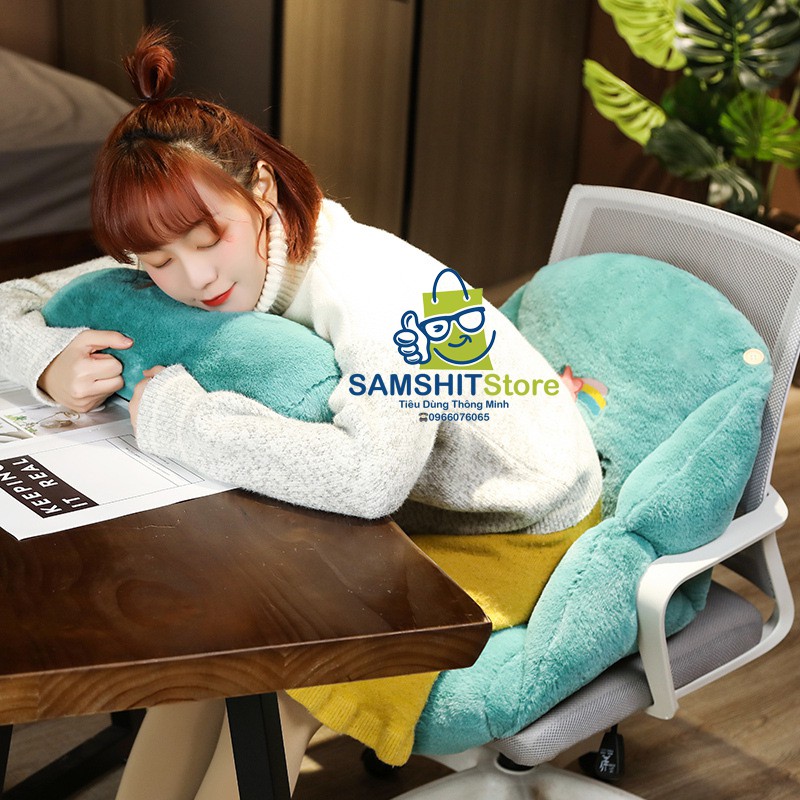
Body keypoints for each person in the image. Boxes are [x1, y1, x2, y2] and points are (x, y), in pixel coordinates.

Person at [0, 28, 602, 798]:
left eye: (207, 240)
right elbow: (12, 298)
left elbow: (370, 479)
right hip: (402, 507)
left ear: (259, 189)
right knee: (204, 662)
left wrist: (183, 421)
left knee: (288, 680)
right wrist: (48, 360)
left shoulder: (378, 293)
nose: (194, 278)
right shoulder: (183, 242)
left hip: (513, 522)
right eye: (157, 262)